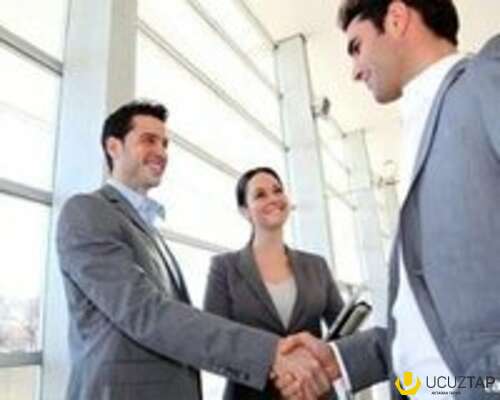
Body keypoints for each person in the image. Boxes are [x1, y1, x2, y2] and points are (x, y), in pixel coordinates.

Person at [277, 0, 500, 399]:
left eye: (356, 47)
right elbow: (427, 324)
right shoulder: (418, 125)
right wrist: (341, 359)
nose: (353, 71)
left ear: (396, 19)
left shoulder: (487, 79)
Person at [56, 100, 337, 400]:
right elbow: (145, 312)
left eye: (165, 143)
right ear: (113, 147)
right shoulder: (87, 211)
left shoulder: (149, 231)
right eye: (148, 140)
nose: (161, 152)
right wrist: (270, 354)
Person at [204, 167, 344, 399]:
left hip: (313, 393)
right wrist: (272, 364)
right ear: (245, 211)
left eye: (277, 191)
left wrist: (322, 362)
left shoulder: (316, 266)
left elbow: (342, 331)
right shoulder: (224, 268)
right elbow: (214, 340)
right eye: (260, 195)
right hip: (251, 395)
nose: (273, 199)